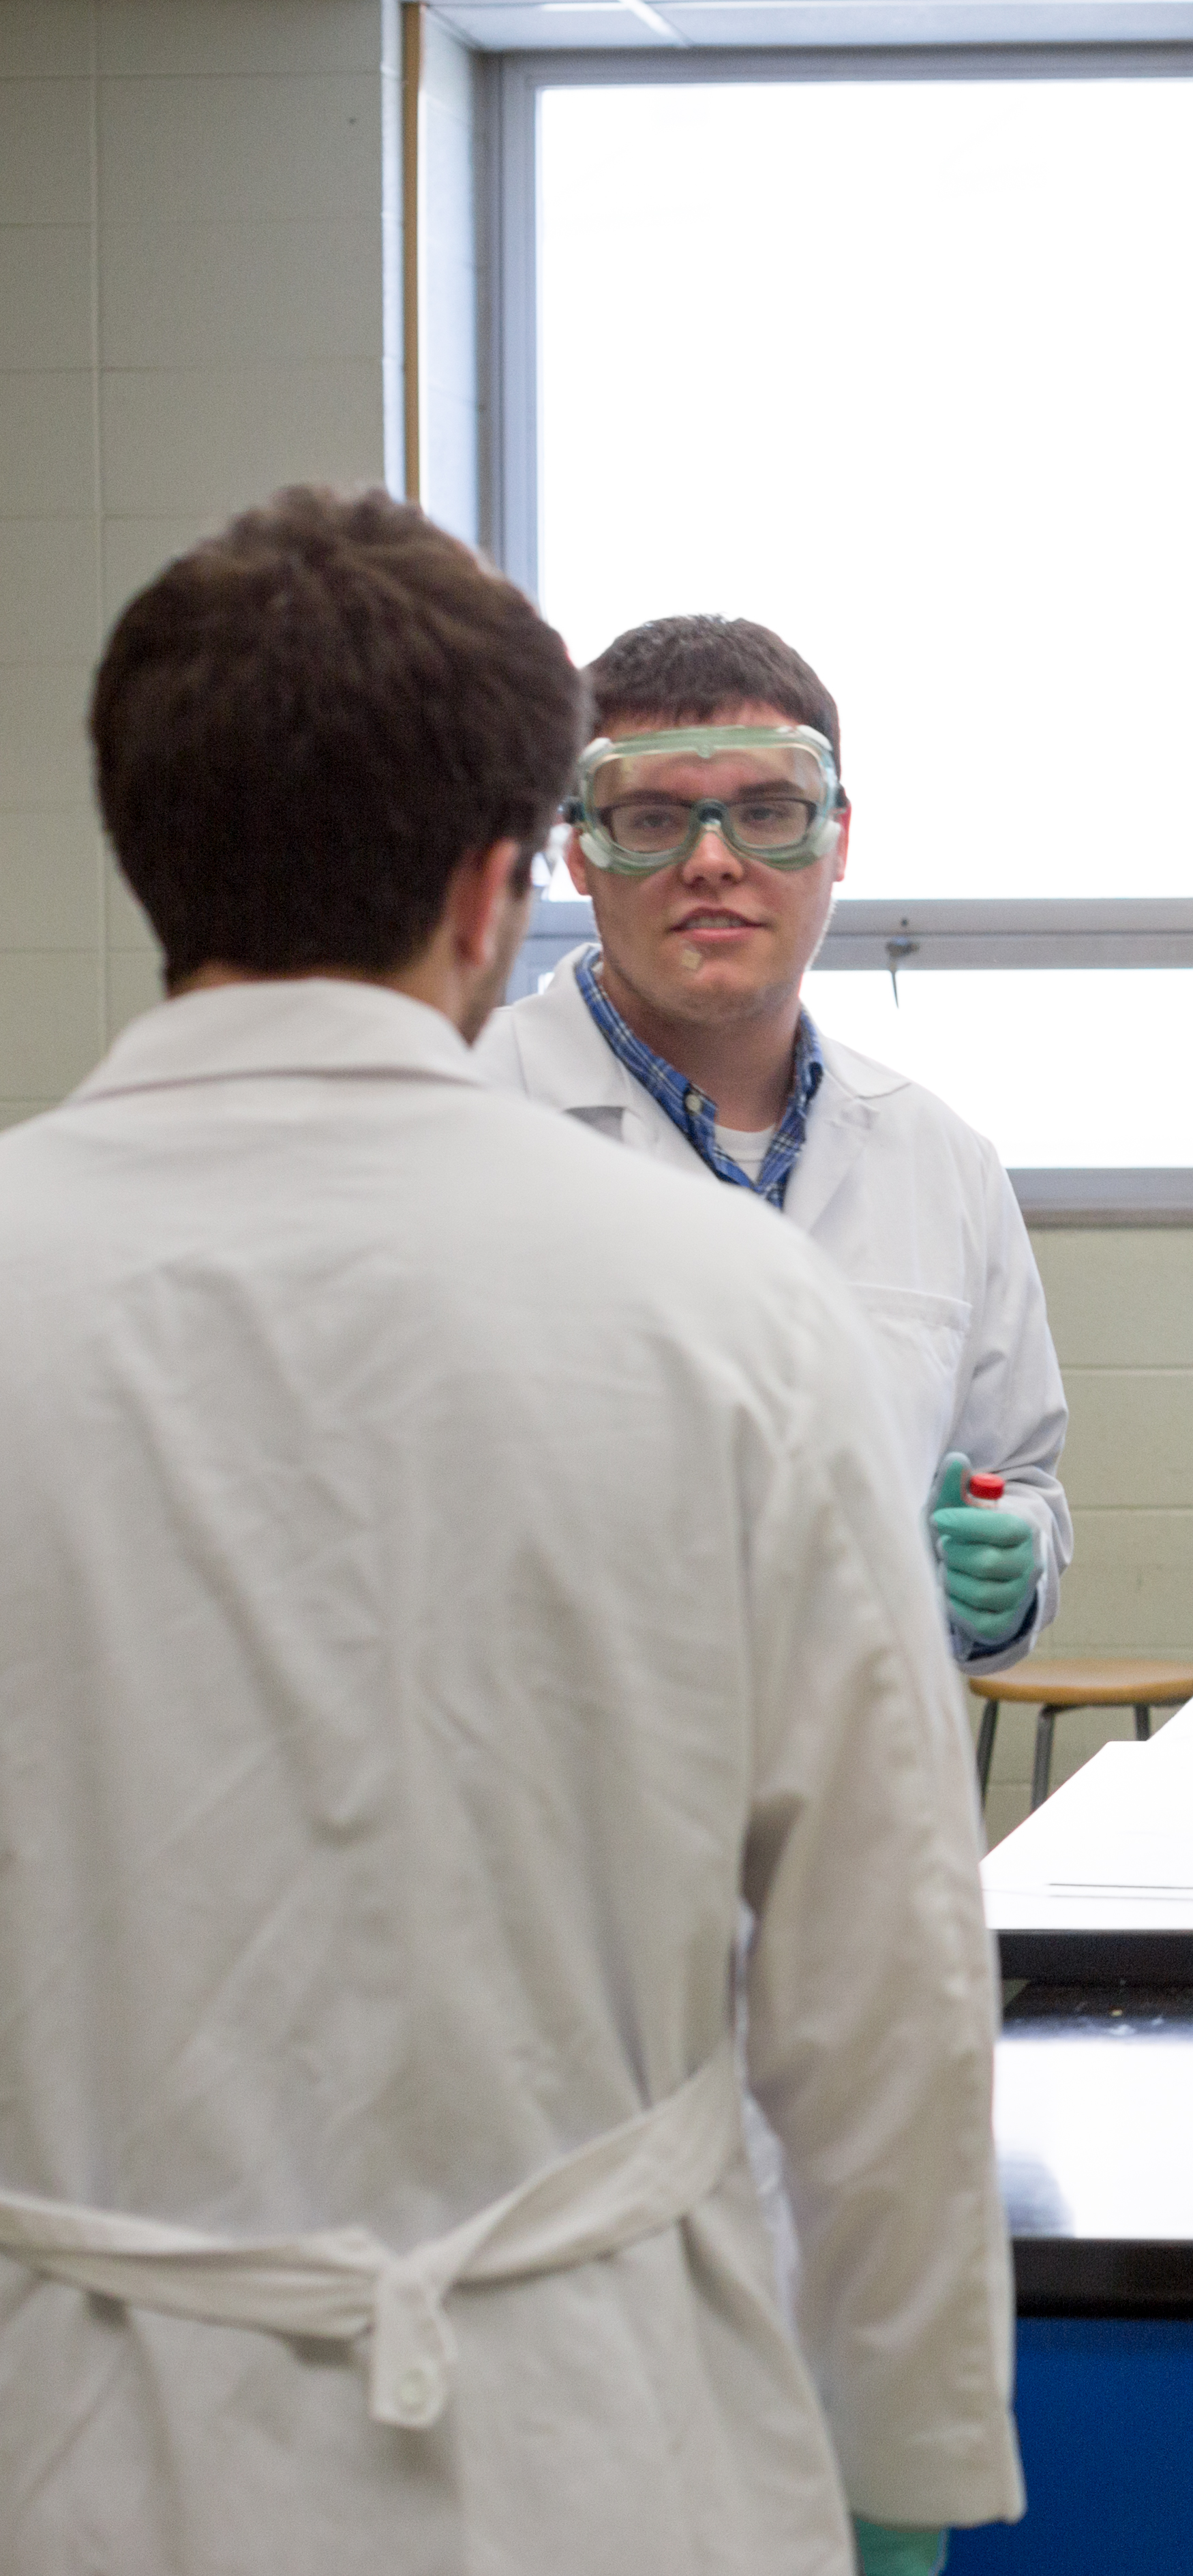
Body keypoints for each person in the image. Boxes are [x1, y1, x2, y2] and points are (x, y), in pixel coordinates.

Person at [0, 488, 1016, 2571]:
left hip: (70, 2428)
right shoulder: (735, 1311)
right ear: (502, 884)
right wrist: (912, 2446)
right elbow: (882, 1975)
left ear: (141, 842)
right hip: (594, 2434)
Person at [474, 616, 1069, 1670]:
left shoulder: (941, 1163)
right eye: (653, 818)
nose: (714, 861)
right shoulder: (466, 1121)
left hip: (865, 1799)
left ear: (838, 839)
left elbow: (1015, 1473)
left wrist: (1011, 1566)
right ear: (576, 848)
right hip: (555, 1806)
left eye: (768, 813)